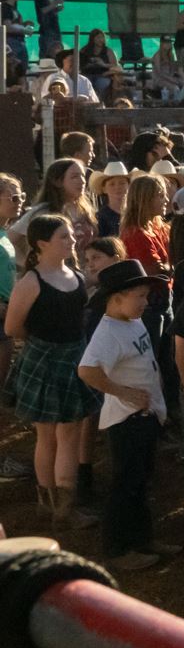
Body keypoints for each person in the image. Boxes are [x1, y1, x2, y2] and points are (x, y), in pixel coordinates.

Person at [76, 259, 174, 571]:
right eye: (139, 296)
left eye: (146, 295)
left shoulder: (132, 321)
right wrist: (123, 392)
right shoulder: (108, 333)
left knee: (140, 482)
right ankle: (118, 550)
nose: (146, 302)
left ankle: (142, 540)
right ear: (117, 298)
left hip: (144, 416)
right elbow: (87, 370)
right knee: (125, 485)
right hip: (127, 421)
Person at [7, 215, 97, 527]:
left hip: (73, 357)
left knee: (68, 433)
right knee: (49, 435)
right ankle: (55, 507)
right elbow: (12, 328)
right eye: (64, 236)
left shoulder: (76, 275)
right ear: (41, 244)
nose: (72, 240)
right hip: (45, 361)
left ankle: (60, 506)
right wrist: (43, 346)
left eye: (70, 235)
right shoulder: (30, 282)